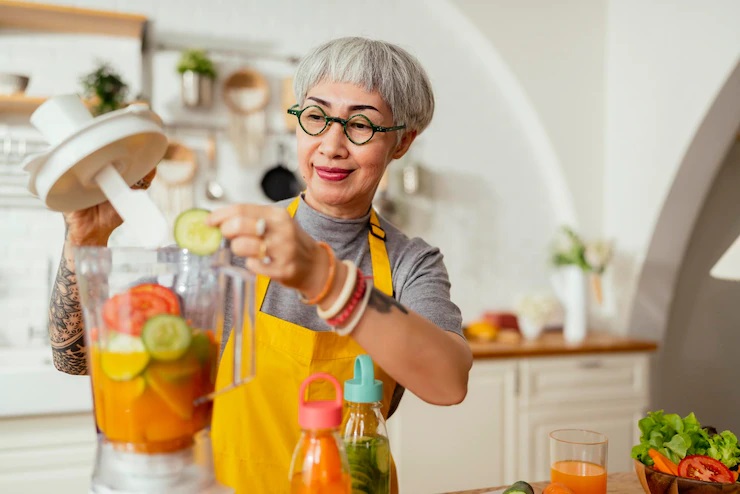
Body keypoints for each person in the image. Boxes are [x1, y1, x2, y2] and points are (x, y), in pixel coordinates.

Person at [49, 36, 472, 493]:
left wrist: (325, 280)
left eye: (362, 125)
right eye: (315, 117)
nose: (331, 146)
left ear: (402, 142)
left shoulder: (411, 263)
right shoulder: (233, 240)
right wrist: (85, 241)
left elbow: (448, 382)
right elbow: (75, 357)